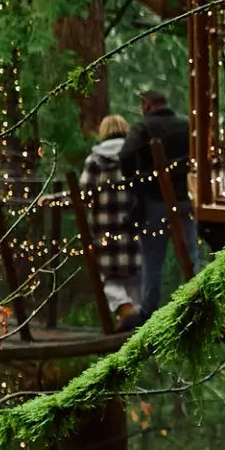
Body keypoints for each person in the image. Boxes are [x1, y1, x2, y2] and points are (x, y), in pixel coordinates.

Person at [126, 87, 192, 306]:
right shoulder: (185, 125)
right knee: (191, 254)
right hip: (184, 197)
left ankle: (149, 311)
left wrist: (136, 182)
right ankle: (195, 303)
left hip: (154, 201)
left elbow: (125, 155)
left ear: (147, 105)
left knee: (153, 260)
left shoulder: (143, 128)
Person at [76, 113, 135, 319]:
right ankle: (136, 318)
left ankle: (124, 308)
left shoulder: (95, 161)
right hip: (134, 225)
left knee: (108, 278)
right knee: (134, 278)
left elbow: (82, 196)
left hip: (105, 229)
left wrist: (52, 199)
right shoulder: (136, 156)